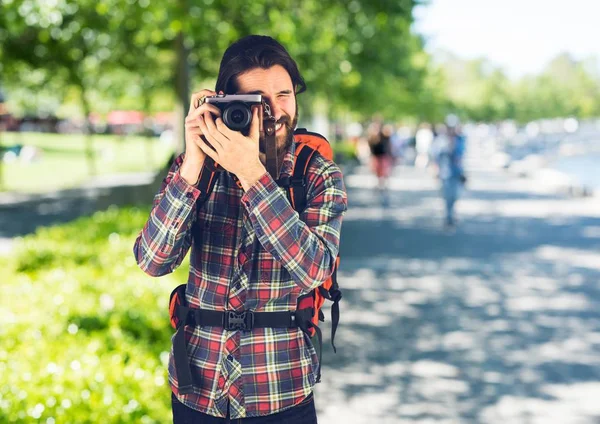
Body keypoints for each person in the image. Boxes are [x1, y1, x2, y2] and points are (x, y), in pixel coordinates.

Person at [133, 35, 347, 423]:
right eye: (257, 99)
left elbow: (314, 271)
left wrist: (252, 173)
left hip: (281, 390)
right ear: (225, 102)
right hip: (198, 387)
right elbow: (152, 260)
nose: (274, 110)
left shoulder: (318, 175)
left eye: (284, 94)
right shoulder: (197, 167)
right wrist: (194, 163)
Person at [432, 124, 466, 229]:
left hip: (456, 173)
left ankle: (451, 213)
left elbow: (461, 157)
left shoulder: (459, 140)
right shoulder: (441, 141)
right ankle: (448, 217)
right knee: (447, 196)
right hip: (445, 173)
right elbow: (435, 157)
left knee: (455, 195)